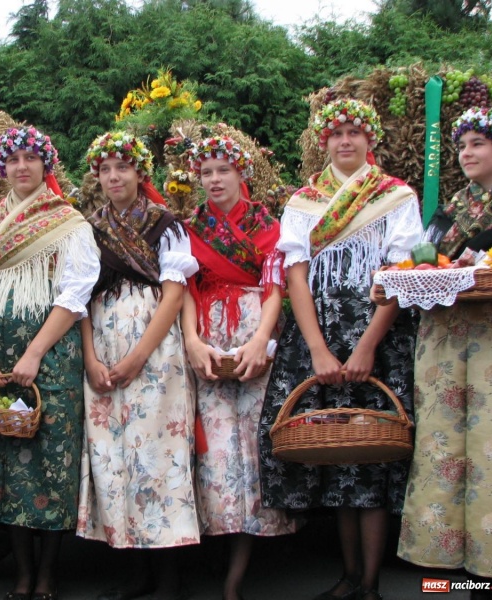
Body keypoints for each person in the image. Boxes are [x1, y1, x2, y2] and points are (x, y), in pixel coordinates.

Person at [257, 99, 423, 600]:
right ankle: (348, 576)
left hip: (376, 333)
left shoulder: (395, 197)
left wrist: (369, 345)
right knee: (331, 449)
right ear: (323, 143)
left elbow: (400, 275)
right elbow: (296, 274)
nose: (345, 141)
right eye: (336, 134)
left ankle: (369, 582)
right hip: (320, 333)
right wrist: (316, 350)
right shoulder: (304, 201)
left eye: (355, 132)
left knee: (372, 451)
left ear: (370, 141)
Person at [0, 126, 99, 600]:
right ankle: (22, 573)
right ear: (3, 169)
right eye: (13, 159)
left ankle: (47, 575)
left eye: (31, 159)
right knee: (5, 458)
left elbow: (75, 296)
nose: (22, 167)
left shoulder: (69, 226)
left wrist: (35, 353)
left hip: (49, 356)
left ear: (46, 166)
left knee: (49, 461)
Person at [78, 131, 201, 600]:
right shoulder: (88, 230)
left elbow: (175, 293)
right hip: (104, 340)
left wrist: (136, 357)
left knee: (157, 453)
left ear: (139, 172)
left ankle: (169, 577)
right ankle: (134, 571)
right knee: (113, 455)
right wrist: (92, 357)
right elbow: (79, 299)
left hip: (155, 349)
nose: (113, 176)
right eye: (105, 169)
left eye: (122, 167)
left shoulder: (164, 224)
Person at [397, 106, 492, 600]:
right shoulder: (451, 208)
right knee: (443, 448)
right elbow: (425, 259)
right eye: (461, 146)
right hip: (446, 335)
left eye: (477, 144)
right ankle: (447, 571)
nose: (466, 153)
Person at [181, 135, 298, 600]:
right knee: (214, 448)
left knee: (252, 441)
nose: (214, 180)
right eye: (206, 172)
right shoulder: (191, 227)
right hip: (209, 334)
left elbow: (275, 286)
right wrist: (192, 341)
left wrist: (261, 342)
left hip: (253, 329)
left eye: (222, 171)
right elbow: (186, 289)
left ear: (241, 174)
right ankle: (217, 543)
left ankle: (239, 569)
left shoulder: (267, 223)